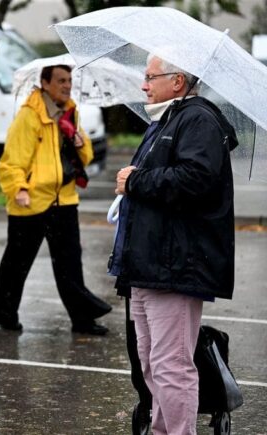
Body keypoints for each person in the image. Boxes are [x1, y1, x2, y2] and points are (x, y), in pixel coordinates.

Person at [111, 54, 237, 434]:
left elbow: (195, 179)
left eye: (150, 76)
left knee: (172, 364)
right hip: (148, 264)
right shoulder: (167, 118)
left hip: (175, 265)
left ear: (177, 81)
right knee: (150, 363)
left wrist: (134, 181)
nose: (143, 84)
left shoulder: (198, 119)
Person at [0, 64, 112, 335]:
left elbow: (85, 158)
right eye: (60, 81)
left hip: (64, 199)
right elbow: (10, 162)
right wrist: (18, 189)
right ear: (45, 83)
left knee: (70, 264)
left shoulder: (70, 112)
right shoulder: (29, 117)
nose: (67, 86)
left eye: (69, 80)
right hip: (31, 201)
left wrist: (80, 142)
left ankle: (82, 320)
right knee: (17, 263)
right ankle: (4, 314)